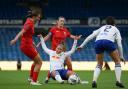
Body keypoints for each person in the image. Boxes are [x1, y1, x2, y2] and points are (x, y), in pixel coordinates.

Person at [77, 16, 125, 88]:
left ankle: (94, 80)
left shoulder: (102, 28)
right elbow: (119, 45)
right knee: (117, 61)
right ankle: (118, 81)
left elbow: (91, 36)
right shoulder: (116, 29)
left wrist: (82, 45)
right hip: (108, 42)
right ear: (114, 23)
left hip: (98, 42)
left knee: (99, 63)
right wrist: (121, 56)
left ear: (106, 23)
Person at [37, 16, 81, 83]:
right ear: (57, 22)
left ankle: (71, 77)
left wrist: (76, 38)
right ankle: (47, 78)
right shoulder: (53, 29)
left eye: (63, 21)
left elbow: (70, 36)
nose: (62, 22)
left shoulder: (65, 30)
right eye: (61, 21)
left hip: (63, 51)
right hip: (55, 50)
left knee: (69, 63)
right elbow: (48, 36)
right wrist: (40, 43)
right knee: (55, 65)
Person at [10, 10, 42, 85]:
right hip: (27, 45)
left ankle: (31, 78)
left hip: (28, 44)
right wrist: (15, 39)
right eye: (38, 17)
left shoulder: (29, 21)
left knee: (36, 61)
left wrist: (32, 42)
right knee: (39, 62)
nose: (39, 19)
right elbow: (22, 32)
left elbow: (26, 35)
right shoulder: (30, 23)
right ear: (34, 17)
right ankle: (34, 81)